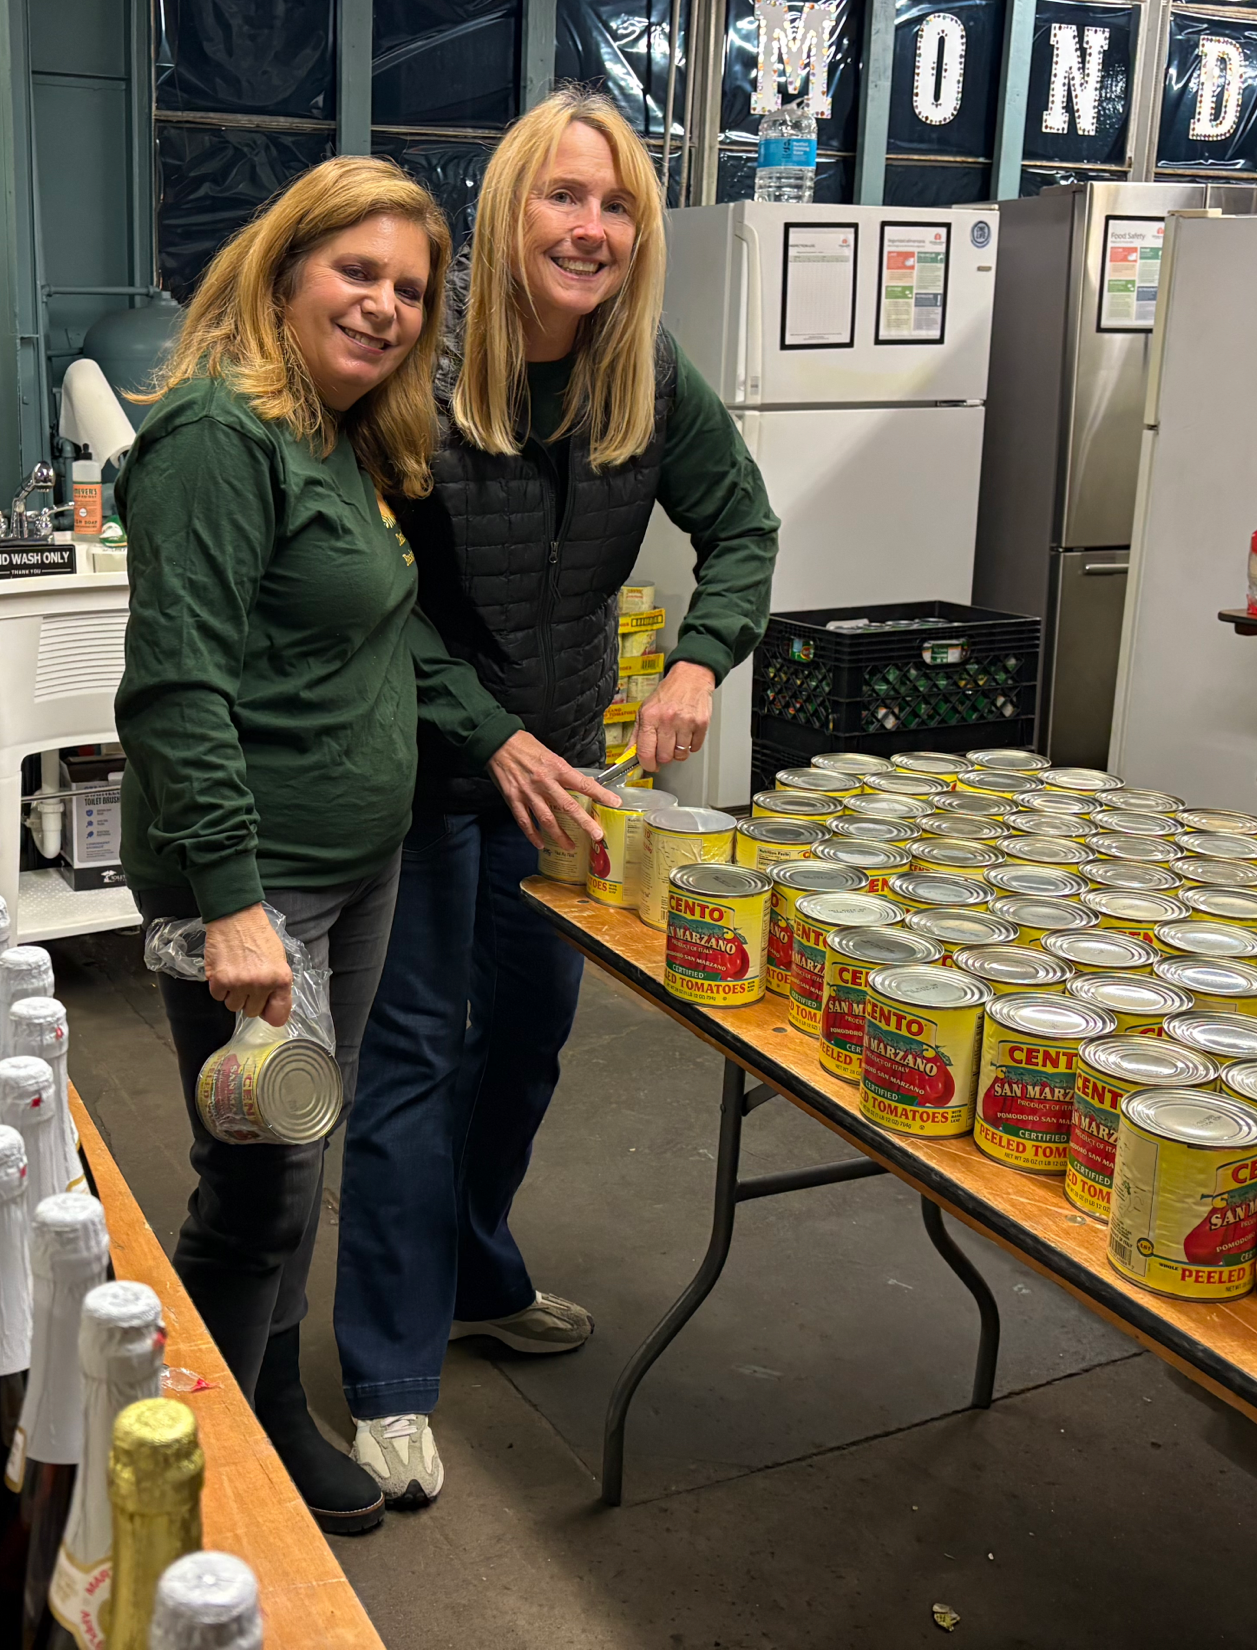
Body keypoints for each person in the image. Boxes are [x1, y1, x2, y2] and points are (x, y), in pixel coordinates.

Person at [334, 91, 779, 1508]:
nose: (589, 228)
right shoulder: (419, 372)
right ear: (510, 207)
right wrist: (487, 732)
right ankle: (389, 1376)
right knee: (411, 1062)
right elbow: (370, 600)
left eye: (616, 205)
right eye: (563, 198)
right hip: (416, 773)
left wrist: (701, 660)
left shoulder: (643, 378)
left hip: (562, 780)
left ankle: (474, 1276)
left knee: (525, 1039)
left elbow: (744, 528)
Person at [116, 155, 489, 1536]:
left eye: (410, 287)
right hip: (256, 882)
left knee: (296, 1160)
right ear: (282, 272)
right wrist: (229, 902)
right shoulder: (218, 438)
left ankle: (265, 1410)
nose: (386, 306)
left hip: (356, 866)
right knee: (266, 1175)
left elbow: (379, 648)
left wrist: (504, 740)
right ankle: (200, 1456)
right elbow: (174, 681)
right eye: (357, 272)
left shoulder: (343, 441)